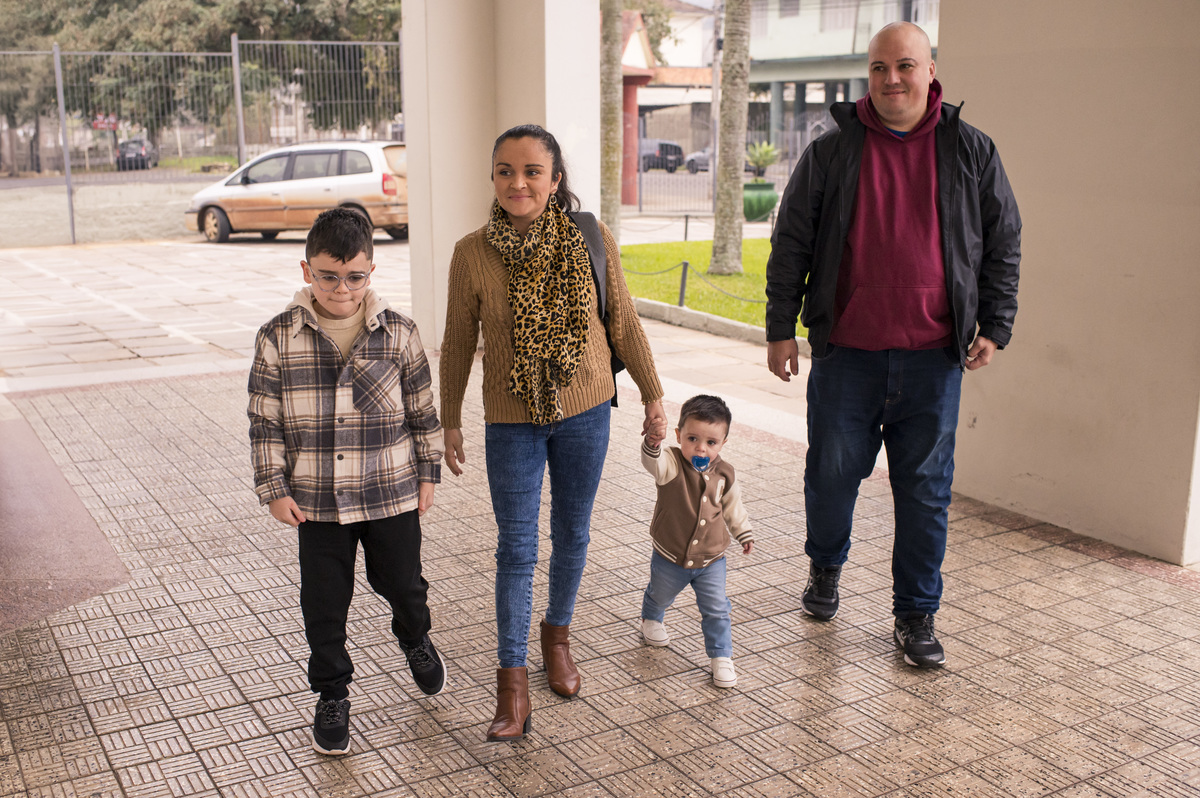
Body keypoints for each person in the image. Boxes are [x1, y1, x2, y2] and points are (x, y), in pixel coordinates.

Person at [764, 22, 1021, 668]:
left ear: (931, 71)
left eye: (905, 65)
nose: (891, 79)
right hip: (846, 357)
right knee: (830, 478)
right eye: (879, 67)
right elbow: (792, 241)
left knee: (926, 493)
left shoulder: (971, 150)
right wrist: (780, 327)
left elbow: (1003, 241)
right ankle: (825, 567)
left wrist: (996, 324)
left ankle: (916, 615)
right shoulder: (832, 150)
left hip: (934, 360)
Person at [440, 124, 666, 741]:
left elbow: (623, 321)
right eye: (505, 171)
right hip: (510, 419)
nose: (518, 182)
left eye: (532, 171)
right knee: (516, 549)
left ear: (555, 179)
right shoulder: (471, 253)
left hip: (586, 410)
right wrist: (450, 417)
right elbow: (457, 341)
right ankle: (511, 685)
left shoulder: (590, 237)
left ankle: (557, 637)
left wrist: (653, 394)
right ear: (493, 178)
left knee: (573, 532)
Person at [248, 208, 447, 755]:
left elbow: (422, 412)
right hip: (316, 502)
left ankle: (415, 636)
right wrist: (273, 487)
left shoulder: (400, 332)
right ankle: (332, 692)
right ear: (307, 270)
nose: (342, 289)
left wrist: (428, 473)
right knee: (325, 604)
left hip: (390, 492)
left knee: (404, 585)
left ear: (371, 271)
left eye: (355, 277)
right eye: (329, 276)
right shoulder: (276, 337)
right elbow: (264, 420)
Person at [639, 395, 753, 688]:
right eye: (692, 439)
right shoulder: (672, 462)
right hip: (670, 554)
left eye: (711, 442)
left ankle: (721, 655)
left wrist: (743, 531)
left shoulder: (725, 473)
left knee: (717, 608)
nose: (701, 448)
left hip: (712, 558)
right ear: (679, 436)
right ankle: (652, 617)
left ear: (723, 443)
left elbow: (733, 506)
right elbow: (653, 462)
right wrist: (653, 443)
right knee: (660, 594)